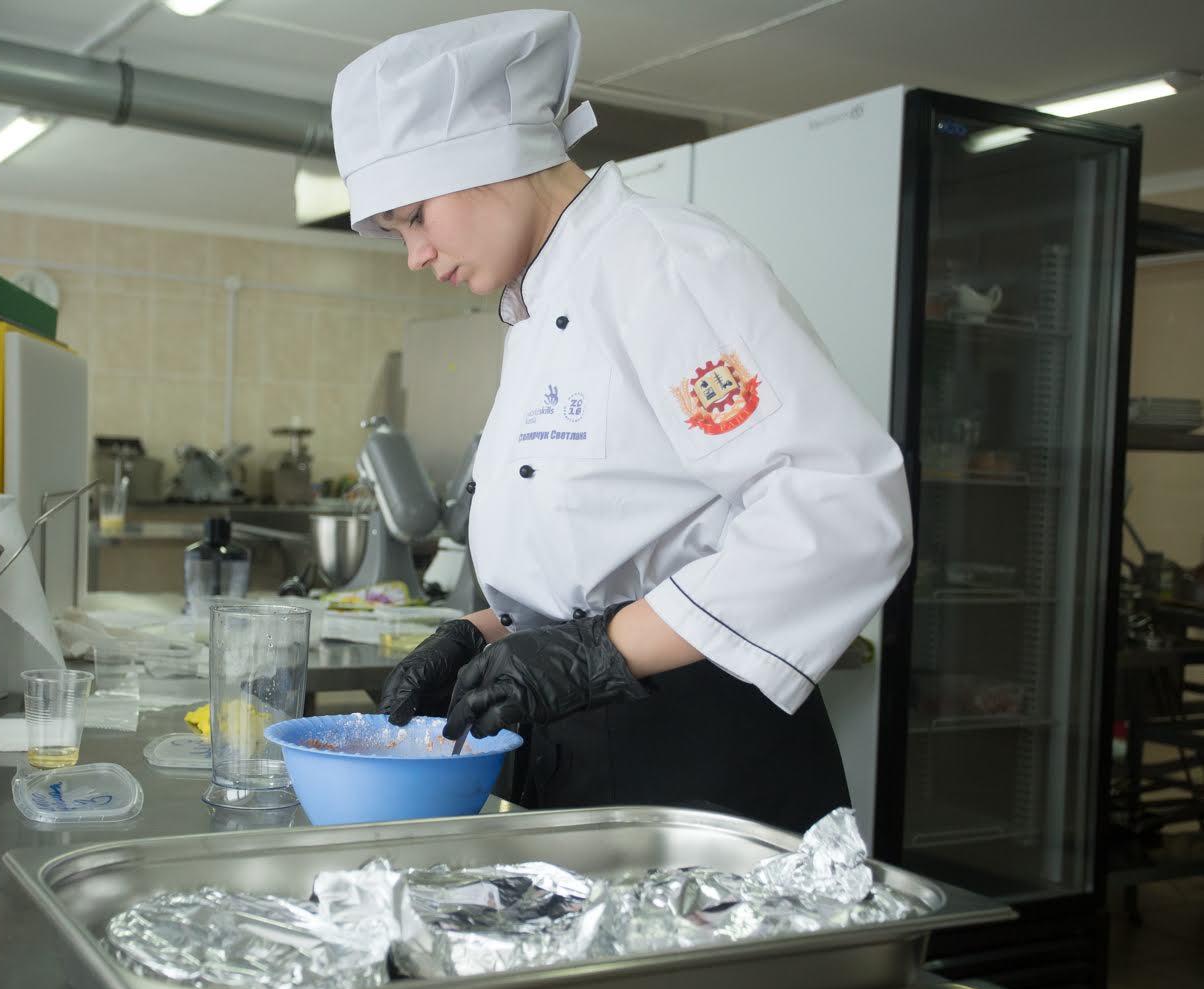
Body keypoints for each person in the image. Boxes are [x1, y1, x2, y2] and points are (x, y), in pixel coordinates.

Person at [334, 10, 913, 833]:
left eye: (415, 216)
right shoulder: (536, 304)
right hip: (576, 744)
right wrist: (479, 633)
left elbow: (844, 507)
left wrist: (597, 651)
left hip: (696, 755)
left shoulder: (662, 263)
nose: (415, 255)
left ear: (488, 160)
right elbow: (617, 550)